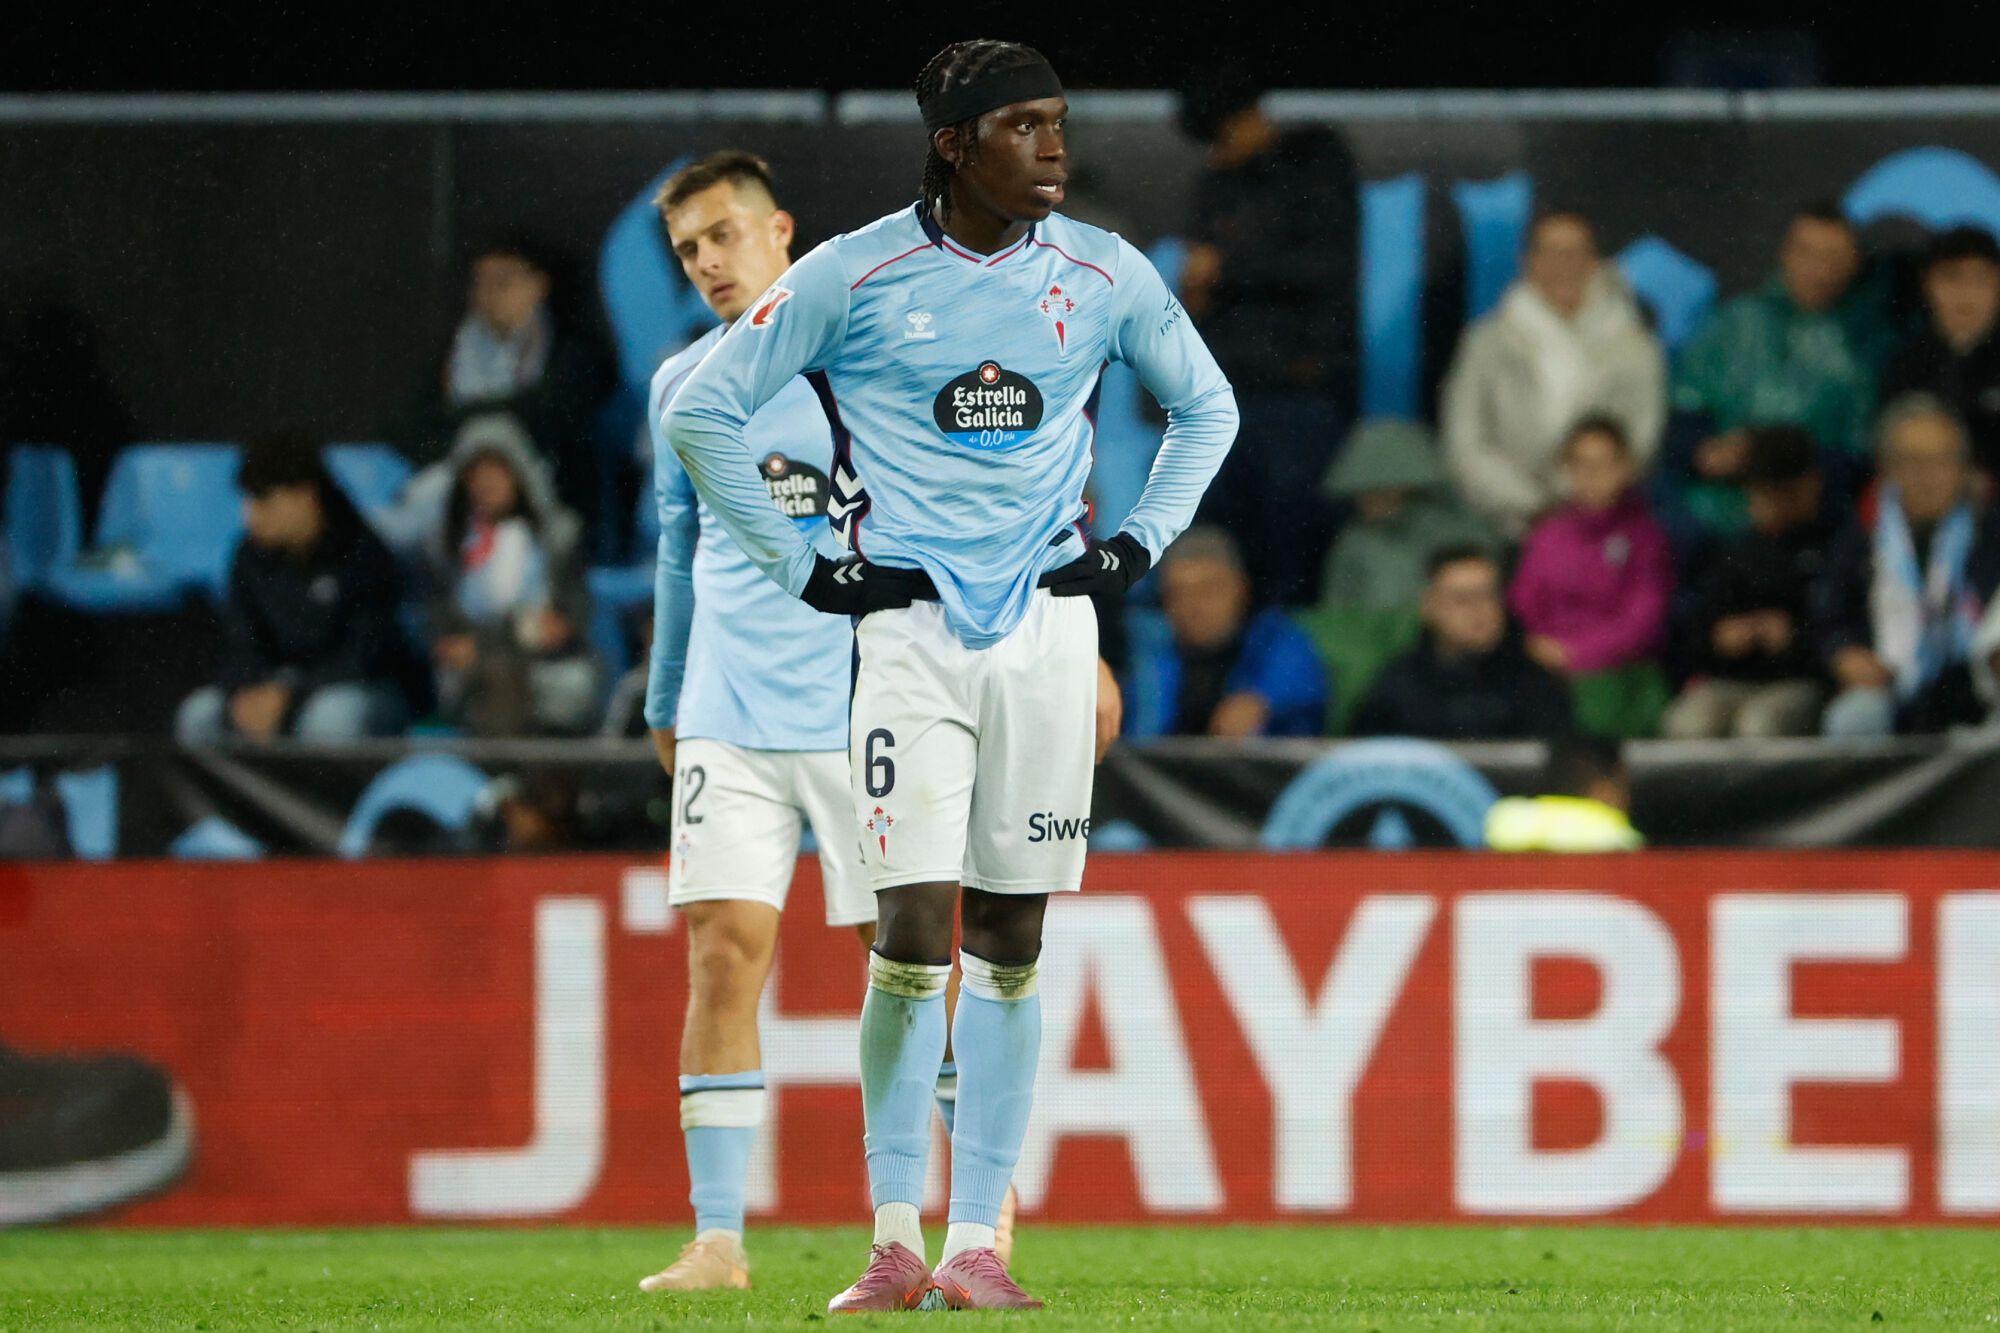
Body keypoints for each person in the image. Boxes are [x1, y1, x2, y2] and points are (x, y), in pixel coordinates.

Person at [661, 40, 1236, 1312]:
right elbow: (698, 414)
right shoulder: (852, 273)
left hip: (1045, 633)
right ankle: (891, 1237)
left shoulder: (1101, 271)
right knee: (915, 938)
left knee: (1014, 939)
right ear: (952, 144)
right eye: (1022, 126)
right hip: (907, 639)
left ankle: (978, 1237)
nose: (1053, 148)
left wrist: (1138, 542)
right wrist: (809, 566)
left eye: (1058, 124)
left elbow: (1210, 408)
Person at [635, 150, 1123, 1297]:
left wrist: (1064, 648)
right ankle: (717, 1238)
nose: (707, 262)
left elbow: (1004, 503)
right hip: (727, 710)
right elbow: (675, 548)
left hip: (866, 702)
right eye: (686, 249)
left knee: (908, 959)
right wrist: (664, 699)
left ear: (780, 229)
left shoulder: (860, 362)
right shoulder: (681, 387)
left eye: (721, 235)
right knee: (720, 953)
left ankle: (971, 1210)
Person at [1176, 59, 1357, 605]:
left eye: (1225, 133)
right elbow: (1200, 277)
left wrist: (1226, 271)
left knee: (1293, 543)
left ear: (1251, 115)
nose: (1219, 149)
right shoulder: (1216, 182)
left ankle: (1286, 668)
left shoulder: (1316, 158)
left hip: (1299, 392)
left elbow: (1325, 268)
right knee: (1221, 539)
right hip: (1225, 394)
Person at [1665, 202, 1897, 540]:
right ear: (1785, 253)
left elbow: (1859, 454)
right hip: (1713, 519)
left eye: (1832, 257)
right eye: (1807, 253)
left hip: (1811, 522)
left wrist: (1791, 479)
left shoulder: (1863, 348)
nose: (1818, 270)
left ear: (1853, 264)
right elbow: (1682, 420)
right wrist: (1706, 451)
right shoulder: (1734, 323)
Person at [176, 436, 418, 743]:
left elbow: (367, 653)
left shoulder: (363, 552)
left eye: (263, 500)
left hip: (365, 688)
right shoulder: (248, 556)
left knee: (329, 719)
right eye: (247, 501)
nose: (249, 516)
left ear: (305, 497)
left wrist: (291, 693)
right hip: (277, 689)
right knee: (199, 714)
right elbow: (242, 642)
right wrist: (247, 691)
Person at [1441, 210, 1666, 538]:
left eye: (1575, 252)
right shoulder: (1485, 343)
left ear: (1594, 262)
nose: (1563, 264)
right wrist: (1534, 505)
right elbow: (1465, 442)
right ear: (1528, 262)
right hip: (1501, 523)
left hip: (1601, 523)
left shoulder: (1635, 347)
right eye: (1550, 252)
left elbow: (1641, 437)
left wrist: (1580, 498)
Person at [1813, 394, 2000, 737]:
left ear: (1965, 465)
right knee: (1854, 719)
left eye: (1943, 460)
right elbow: (1828, 615)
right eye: (1913, 461)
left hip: (1975, 691)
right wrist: (1844, 652)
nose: (1928, 476)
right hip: (1890, 687)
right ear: (1887, 467)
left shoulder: (1989, 528)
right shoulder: (1865, 530)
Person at [424, 414, 599, 736]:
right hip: (474, 680)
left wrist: (487, 642)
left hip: (546, 669)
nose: (486, 482)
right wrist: (519, 633)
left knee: (511, 676)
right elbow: (445, 639)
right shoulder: (447, 549)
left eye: (497, 469)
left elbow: (563, 625)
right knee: (495, 677)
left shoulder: (559, 539)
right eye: (476, 473)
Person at [433, 238, 617, 539]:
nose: (488, 295)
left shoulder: (570, 349)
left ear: (537, 285)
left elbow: (554, 416)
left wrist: (470, 414)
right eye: (480, 283)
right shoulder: (457, 349)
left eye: (501, 282)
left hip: (544, 486)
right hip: (461, 480)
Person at [1663, 427, 1838, 739]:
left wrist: (1792, 636)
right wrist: (1722, 635)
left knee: (1760, 724)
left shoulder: (1835, 544)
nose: (1761, 503)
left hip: (1804, 682)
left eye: (1773, 492)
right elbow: (1701, 626)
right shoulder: (1741, 549)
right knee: (1687, 721)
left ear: (1806, 486)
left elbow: (1840, 631)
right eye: (1757, 491)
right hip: (1735, 679)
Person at [1509, 416, 1675, 738]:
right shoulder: (1547, 534)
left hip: (1618, 673)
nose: (1592, 475)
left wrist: (1576, 654)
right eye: (1581, 464)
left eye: (1603, 463)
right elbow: (1522, 603)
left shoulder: (1646, 538)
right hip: (1545, 664)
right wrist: (1536, 646)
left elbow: (1644, 622)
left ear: (1626, 468)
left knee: (1591, 713)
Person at [1350, 546, 1572, 740]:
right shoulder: (1398, 683)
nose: (1480, 610)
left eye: (1489, 595)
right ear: (1429, 606)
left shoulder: (1534, 680)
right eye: (1462, 599)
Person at [1127, 526, 1326, 738]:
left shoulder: (1277, 641)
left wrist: (1264, 703)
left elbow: (1306, 694)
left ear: (1240, 588)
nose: (1193, 606)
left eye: (1208, 589)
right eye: (1177, 594)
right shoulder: (1149, 655)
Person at [1318, 419, 1494, 612]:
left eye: (1379, 491)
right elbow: (1338, 614)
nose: (1368, 501)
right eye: (1363, 493)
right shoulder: (1353, 545)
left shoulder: (1459, 531)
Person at [1880, 225, 2000, 480]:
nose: (1966, 294)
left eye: (1980, 278)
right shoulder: (1904, 364)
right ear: (1928, 283)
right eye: (1952, 277)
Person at [1484, 734, 1644, 852]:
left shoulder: (1503, 818)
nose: (1627, 798)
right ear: (1605, 785)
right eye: (1623, 785)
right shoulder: (1618, 838)